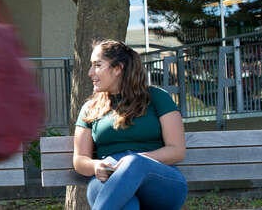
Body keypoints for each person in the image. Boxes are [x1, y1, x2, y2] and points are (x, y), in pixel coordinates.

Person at [73, 40, 188, 210]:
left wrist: (132, 163)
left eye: (97, 65)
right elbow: (80, 159)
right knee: (127, 206)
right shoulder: (90, 108)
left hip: (158, 183)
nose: (90, 73)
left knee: (135, 163)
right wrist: (96, 166)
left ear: (118, 68)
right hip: (107, 182)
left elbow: (176, 150)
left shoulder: (157, 98)